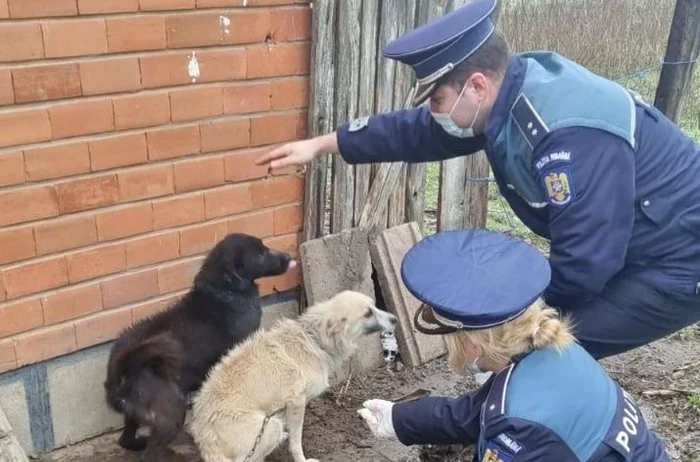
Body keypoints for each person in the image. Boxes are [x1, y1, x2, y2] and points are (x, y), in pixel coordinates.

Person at [256, 0, 700, 361]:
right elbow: (416, 132)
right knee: (527, 348)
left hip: (679, 257)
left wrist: (508, 322)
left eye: (439, 100)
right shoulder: (510, 93)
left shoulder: (565, 136)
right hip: (634, 235)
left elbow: (586, 263)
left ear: (478, 86)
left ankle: (526, 450)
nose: (434, 112)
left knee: (545, 350)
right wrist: (323, 144)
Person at [315, 228, 700, 462]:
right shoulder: (551, 353)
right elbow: (475, 412)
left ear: (474, 345)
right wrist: (397, 419)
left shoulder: (527, 422)